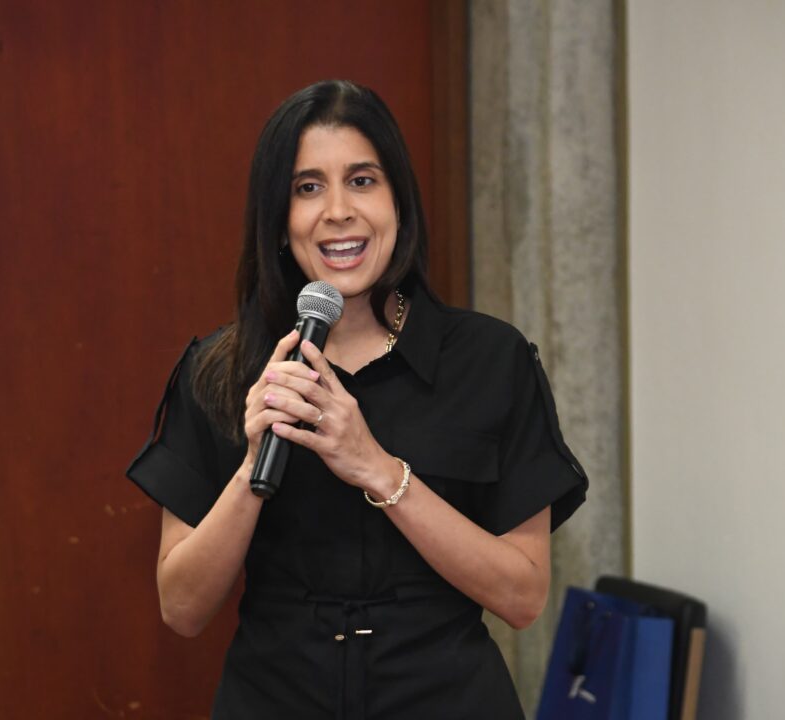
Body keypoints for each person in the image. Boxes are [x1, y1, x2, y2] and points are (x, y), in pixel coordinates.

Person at [127, 79, 587, 720]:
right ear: (278, 219)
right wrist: (252, 466)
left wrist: (376, 466)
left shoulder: (490, 360)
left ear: (399, 202)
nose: (338, 211)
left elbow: (524, 597)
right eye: (307, 187)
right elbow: (181, 608)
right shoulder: (219, 372)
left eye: (362, 181)